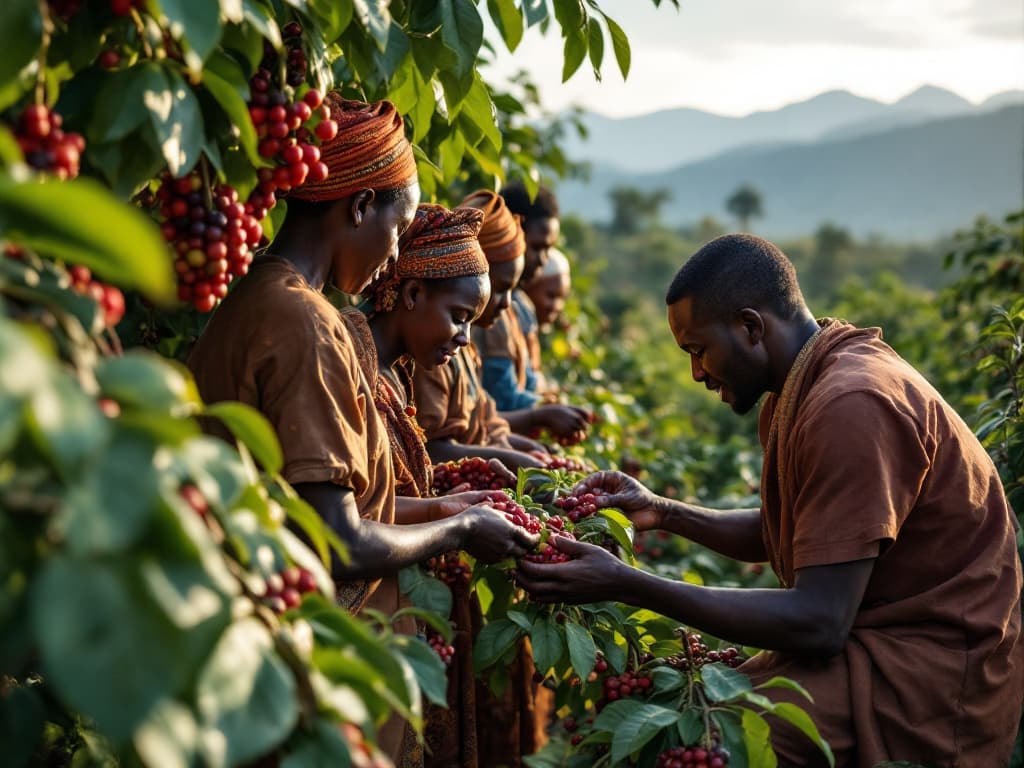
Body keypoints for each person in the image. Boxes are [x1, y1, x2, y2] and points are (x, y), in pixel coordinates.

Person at [516, 234, 1024, 767]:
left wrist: (629, 584)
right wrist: (662, 512)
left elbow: (819, 622)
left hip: (924, 677)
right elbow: (804, 530)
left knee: (705, 738)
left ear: (751, 327)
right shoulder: (808, 383)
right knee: (679, 708)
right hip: (872, 641)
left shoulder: (851, 404)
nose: (696, 373)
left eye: (698, 350)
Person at [412, 190, 549, 472]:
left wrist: (521, 450)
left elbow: (486, 419)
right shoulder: (433, 353)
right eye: (499, 289)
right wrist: (514, 455)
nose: (506, 304)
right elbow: (430, 448)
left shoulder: (464, 348)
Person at [470, 183, 591, 445]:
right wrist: (544, 412)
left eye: (549, 249)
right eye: (537, 247)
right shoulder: (489, 312)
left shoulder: (520, 305)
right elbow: (500, 399)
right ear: (512, 232)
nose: (543, 258)